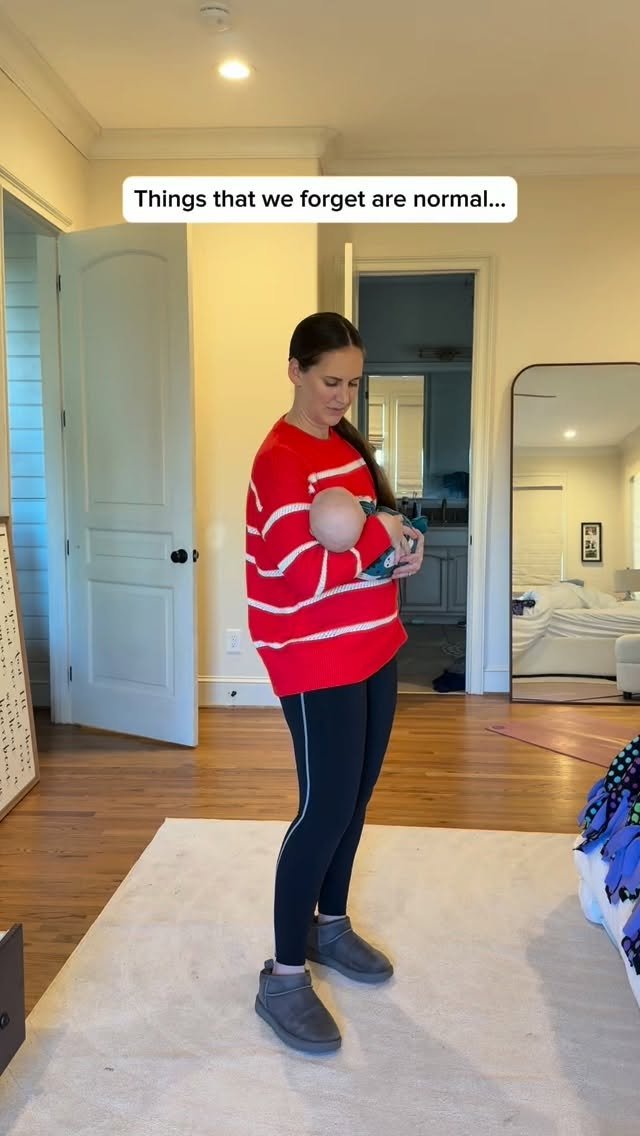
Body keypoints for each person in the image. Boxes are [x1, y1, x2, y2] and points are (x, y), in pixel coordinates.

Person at [245, 311, 424, 1055]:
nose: (341, 396)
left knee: (355, 800)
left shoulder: (346, 446)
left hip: (376, 643)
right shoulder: (280, 458)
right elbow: (302, 574)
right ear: (294, 370)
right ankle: (283, 978)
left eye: (352, 383)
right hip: (314, 657)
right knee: (322, 810)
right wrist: (380, 540)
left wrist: (404, 546)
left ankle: (331, 925)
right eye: (329, 381)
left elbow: (374, 528)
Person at [309, 485, 427, 579]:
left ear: (312, 532)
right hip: (397, 551)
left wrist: (417, 551)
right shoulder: (364, 515)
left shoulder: (351, 566)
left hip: (383, 573)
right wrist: (414, 544)